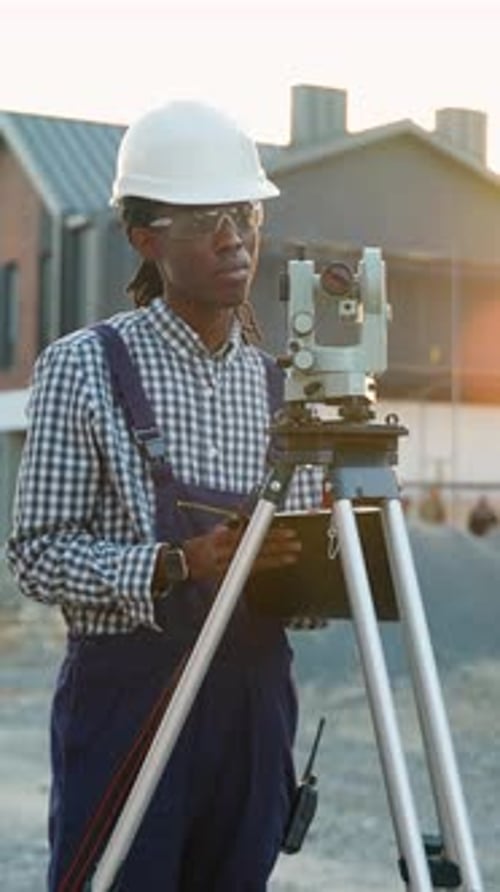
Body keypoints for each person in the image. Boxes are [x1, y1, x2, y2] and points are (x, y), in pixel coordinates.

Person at [6, 100, 322, 891]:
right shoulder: (85, 367)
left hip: (254, 701)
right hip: (127, 694)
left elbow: (313, 597)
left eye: (244, 212)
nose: (236, 236)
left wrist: (306, 574)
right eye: (206, 217)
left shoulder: (283, 388)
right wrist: (176, 563)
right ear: (145, 237)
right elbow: (37, 558)